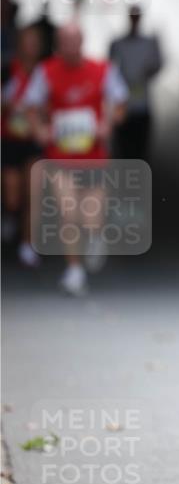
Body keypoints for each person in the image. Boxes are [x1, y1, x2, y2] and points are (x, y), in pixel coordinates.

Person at [23, 22, 129, 295]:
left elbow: (120, 103)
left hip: (93, 158)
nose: (70, 47)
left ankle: (95, 236)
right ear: (58, 44)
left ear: (82, 42)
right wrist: (39, 129)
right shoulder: (46, 71)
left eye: (74, 41)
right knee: (68, 212)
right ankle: (74, 269)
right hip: (60, 157)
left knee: (91, 218)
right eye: (65, 42)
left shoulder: (103, 70)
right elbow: (30, 105)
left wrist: (108, 123)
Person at [1, 25, 43, 263]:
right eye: (27, 43)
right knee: (12, 197)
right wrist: (9, 105)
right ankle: (9, 215)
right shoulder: (7, 70)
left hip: (33, 141)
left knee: (32, 192)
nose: (31, 48)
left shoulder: (44, 72)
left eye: (35, 43)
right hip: (9, 139)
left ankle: (27, 242)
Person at [109, 5, 163, 161]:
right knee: (122, 148)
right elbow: (110, 70)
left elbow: (157, 65)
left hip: (142, 104)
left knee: (140, 148)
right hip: (123, 104)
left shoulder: (149, 43)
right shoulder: (118, 43)